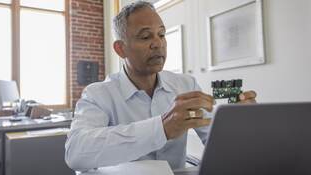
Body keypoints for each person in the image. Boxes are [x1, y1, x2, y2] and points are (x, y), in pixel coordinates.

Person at [65, 1, 257, 172]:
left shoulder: (186, 85)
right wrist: (161, 128)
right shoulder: (98, 94)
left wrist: (236, 125)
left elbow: (216, 142)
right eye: (145, 36)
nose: (158, 44)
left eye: (162, 34)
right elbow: (76, 152)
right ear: (120, 48)